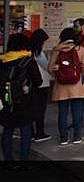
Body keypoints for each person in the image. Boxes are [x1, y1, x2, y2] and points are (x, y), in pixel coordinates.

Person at [0, 33, 42, 162]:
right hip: (25, 101)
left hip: (6, 100)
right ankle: (24, 161)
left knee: (8, 129)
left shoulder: (2, 60)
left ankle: (8, 161)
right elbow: (38, 81)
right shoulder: (29, 61)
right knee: (25, 129)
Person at [48, 28, 84, 145]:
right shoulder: (80, 49)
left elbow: (50, 69)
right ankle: (77, 136)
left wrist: (58, 75)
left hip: (61, 88)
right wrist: (79, 76)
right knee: (77, 113)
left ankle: (63, 138)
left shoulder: (56, 50)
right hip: (77, 87)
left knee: (62, 114)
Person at [30, 29, 52, 143]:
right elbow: (47, 66)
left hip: (31, 84)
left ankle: (31, 133)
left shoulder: (28, 52)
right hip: (42, 83)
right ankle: (40, 133)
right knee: (40, 110)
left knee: (31, 108)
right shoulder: (39, 53)